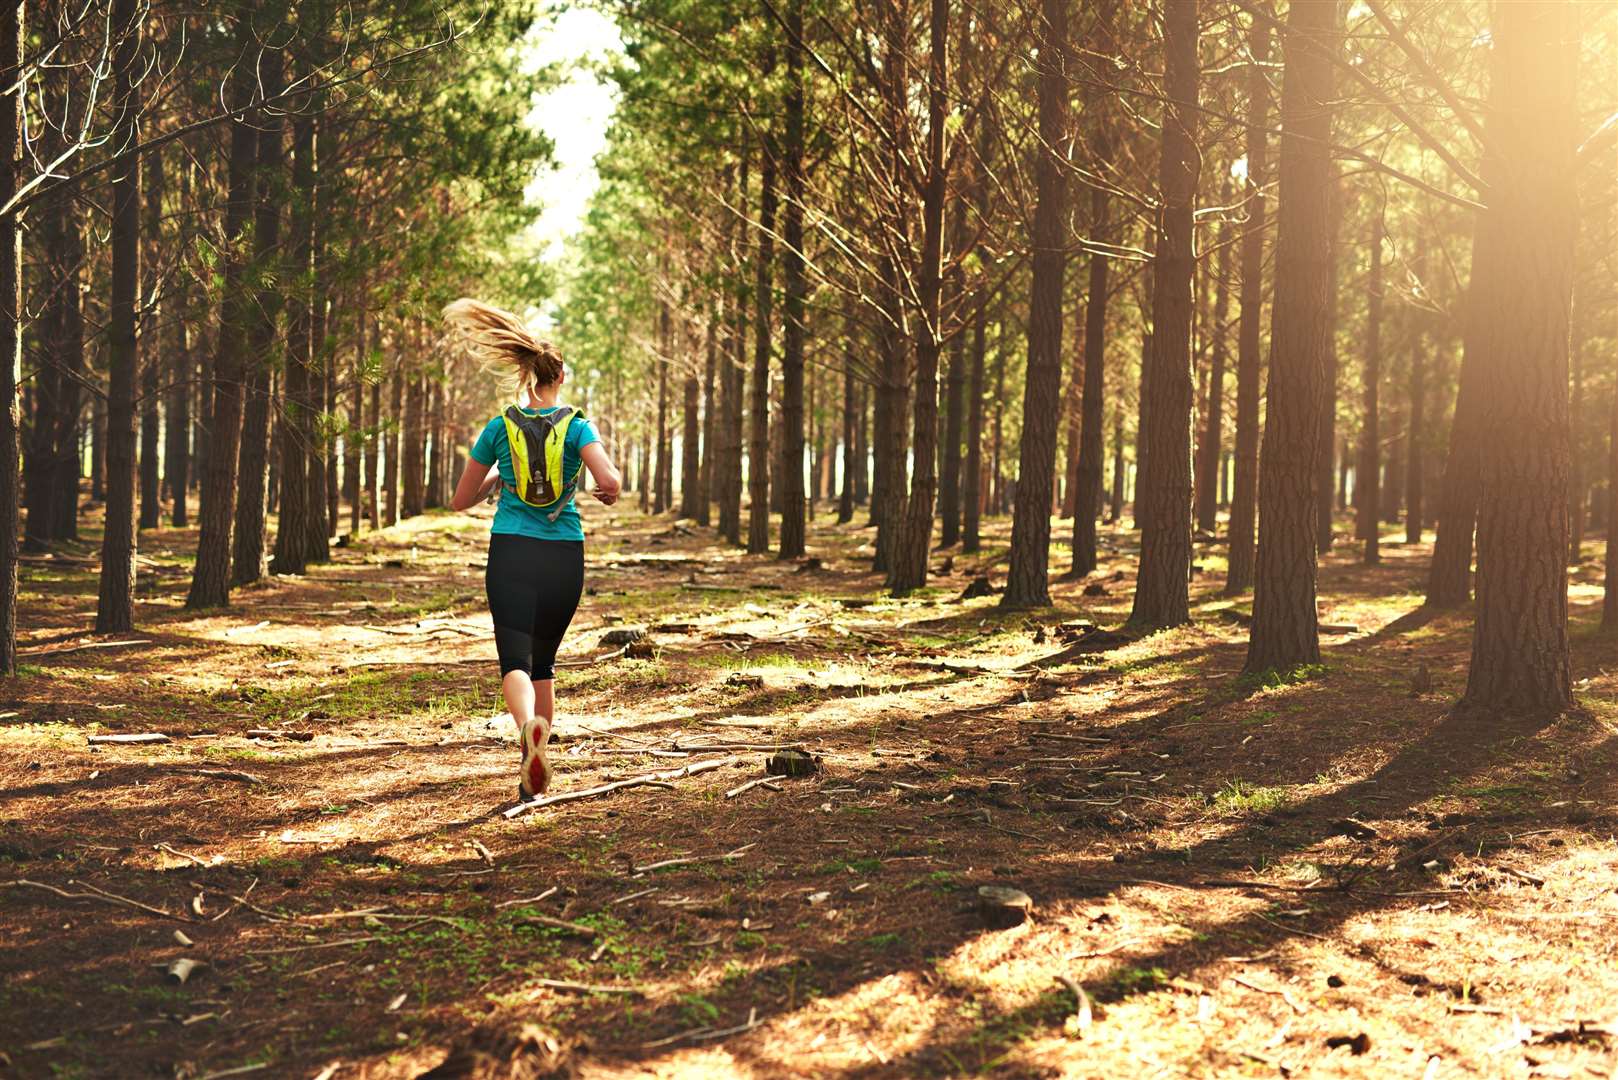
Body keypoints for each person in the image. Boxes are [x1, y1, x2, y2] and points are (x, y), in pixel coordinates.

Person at [446, 298, 621, 800]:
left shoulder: (500, 427)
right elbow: (608, 480)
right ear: (560, 376)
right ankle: (535, 766)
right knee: (544, 662)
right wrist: (601, 488)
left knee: (515, 661)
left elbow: (460, 501)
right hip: (564, 553)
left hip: (511, 552)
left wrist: (500, 476)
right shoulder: (579, 426)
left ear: (525, 374)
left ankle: (527, 730)